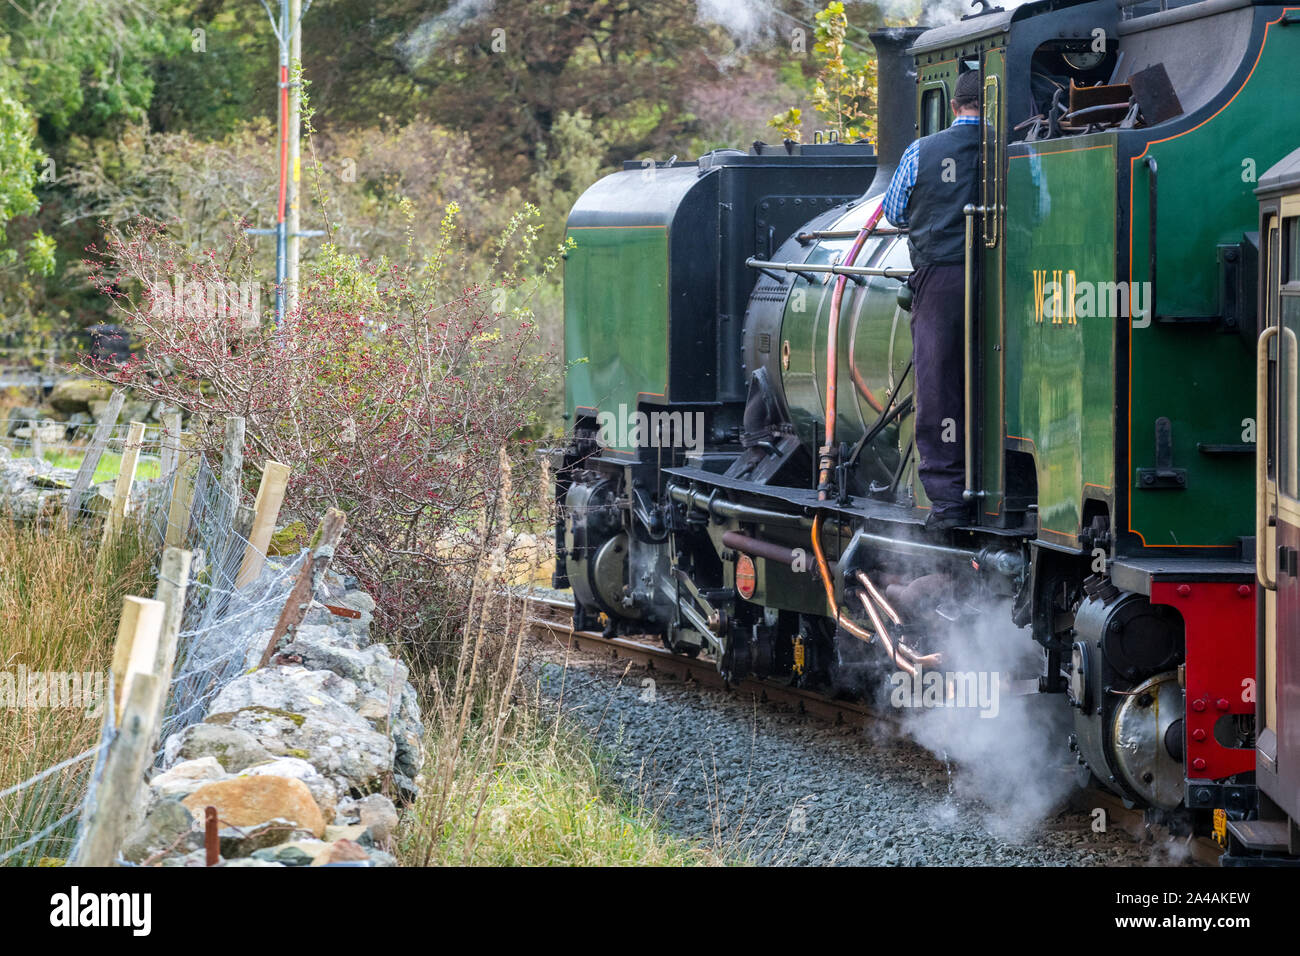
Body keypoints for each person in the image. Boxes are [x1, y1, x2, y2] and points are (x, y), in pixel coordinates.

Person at [881, 69, 982, 531]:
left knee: (937, 383)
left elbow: (897, 210)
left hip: (940, 277)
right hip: (1010, 278)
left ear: (954, 104)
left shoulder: (923, 150)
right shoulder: (1015, 149)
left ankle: (947, 500)